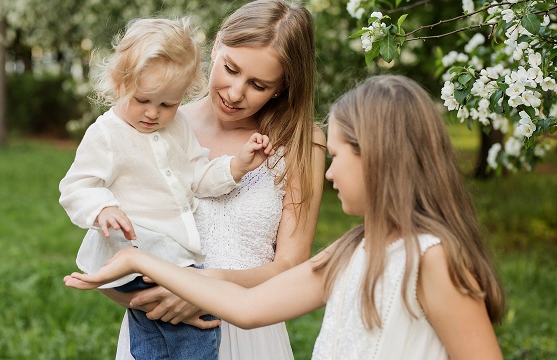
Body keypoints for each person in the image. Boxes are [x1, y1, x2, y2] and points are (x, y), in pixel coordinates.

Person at [65, 74, 507, 359]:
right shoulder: (353, 249)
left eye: (337, 157)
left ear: (381, 160)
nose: (329, 172)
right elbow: (249, 306)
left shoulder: (433, 260)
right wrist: (140, 260)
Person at [95, 1, 325, 359]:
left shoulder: (300, 143)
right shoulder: (154, 127)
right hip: (163, 327)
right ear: (216, 46)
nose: (235, 93)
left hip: (251, 331)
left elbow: (291, 266)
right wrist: (148, 296)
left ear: (282, 88)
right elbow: (110, 248)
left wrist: (202, 287)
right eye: (231, 69)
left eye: (258, 85)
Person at [59, 17, 274, 360]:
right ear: (119, 83)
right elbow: (77, 185)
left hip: (170, 256)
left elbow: (199, 179)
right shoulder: (107, 133)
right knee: (197, 332)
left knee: (155, 336)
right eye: (143, 100)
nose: (153, 114)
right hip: (139, 250)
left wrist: (237, 167)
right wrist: (102, 208)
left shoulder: (178, 127)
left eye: (167, 104)